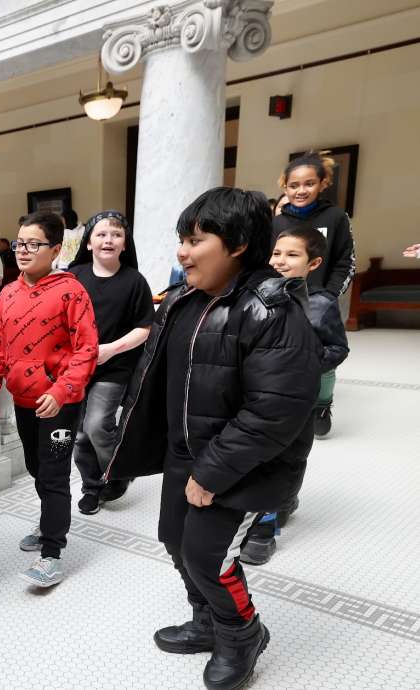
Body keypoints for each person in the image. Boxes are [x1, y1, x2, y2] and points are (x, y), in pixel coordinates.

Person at [106, 187, 319, 690]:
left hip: (243, 466)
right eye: (182, 239)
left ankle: (241, 632)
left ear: (239, 243)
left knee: (208, 556)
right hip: (188, 453)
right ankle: (206, 620)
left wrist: (211, 472)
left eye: (196, 240)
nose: (182, 251)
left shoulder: (272, 312)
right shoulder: (184, 299)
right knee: (175, 541)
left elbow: (273, 412)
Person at [0, 210, 98, 588]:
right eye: (19, 243)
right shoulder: (8, 294)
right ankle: (49, 519)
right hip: (23, 399)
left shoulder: (71, 291)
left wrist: (61, 390)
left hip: (59, 402)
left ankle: (52, 552)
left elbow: (86, 350)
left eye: (34, 244)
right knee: (35, 467)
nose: (23, 250)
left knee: (53, 474)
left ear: (54, 249)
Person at [240, 227, 350, 565]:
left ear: (313, 262)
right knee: (256, 455)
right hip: (256, 396)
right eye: (276, 253)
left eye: (292, 255)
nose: (281, 261)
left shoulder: (321, 304)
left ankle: (268, 524)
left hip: (297, 400)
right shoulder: (254, 295)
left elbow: (337, 348)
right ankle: (266, 507)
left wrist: (303, 366)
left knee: (289, 456)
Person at [66, 210, 153, 515]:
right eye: (101, 234)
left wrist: (110, 350)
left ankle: (117, 469)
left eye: (116, 234)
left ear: (125, 244)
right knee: (77, 434)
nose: (108, 239)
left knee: (98, 424)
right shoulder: (73, 277)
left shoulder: (135, 281)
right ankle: (92, 486)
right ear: (88, 243)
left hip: (114, 366)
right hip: (75, 368)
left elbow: (144, 328)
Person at [272, 151, 355, 435]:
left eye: (309, 183)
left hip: (320, 300)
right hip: (282, 300)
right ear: (285, 187)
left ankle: (321, 403)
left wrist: (329, 295)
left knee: (323, 356)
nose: (301, 190)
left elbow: (346, 259)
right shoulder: (277, 223)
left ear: (323, 183)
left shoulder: (335, 217)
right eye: (294, 185)